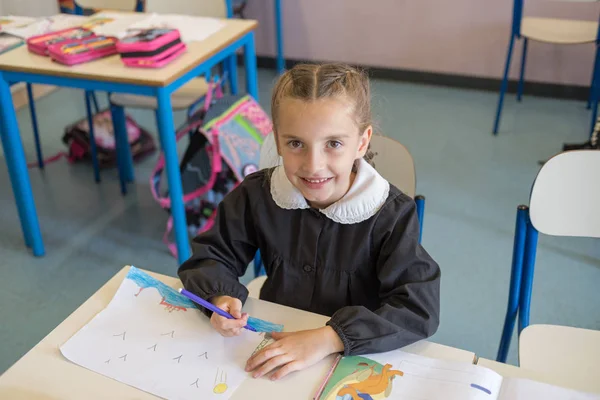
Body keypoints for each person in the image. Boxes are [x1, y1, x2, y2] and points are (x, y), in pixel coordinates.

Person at [178, 63, 441, 381]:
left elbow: (418, 308)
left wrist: (331, 337)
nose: (314, 166)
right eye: (296, 144)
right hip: (278, 342)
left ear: (361, 142)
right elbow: (212, 256)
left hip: (356, 356)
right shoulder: (258, 194)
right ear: (277, 140)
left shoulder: (391, 214)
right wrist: (220, 297)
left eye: (333, 143)